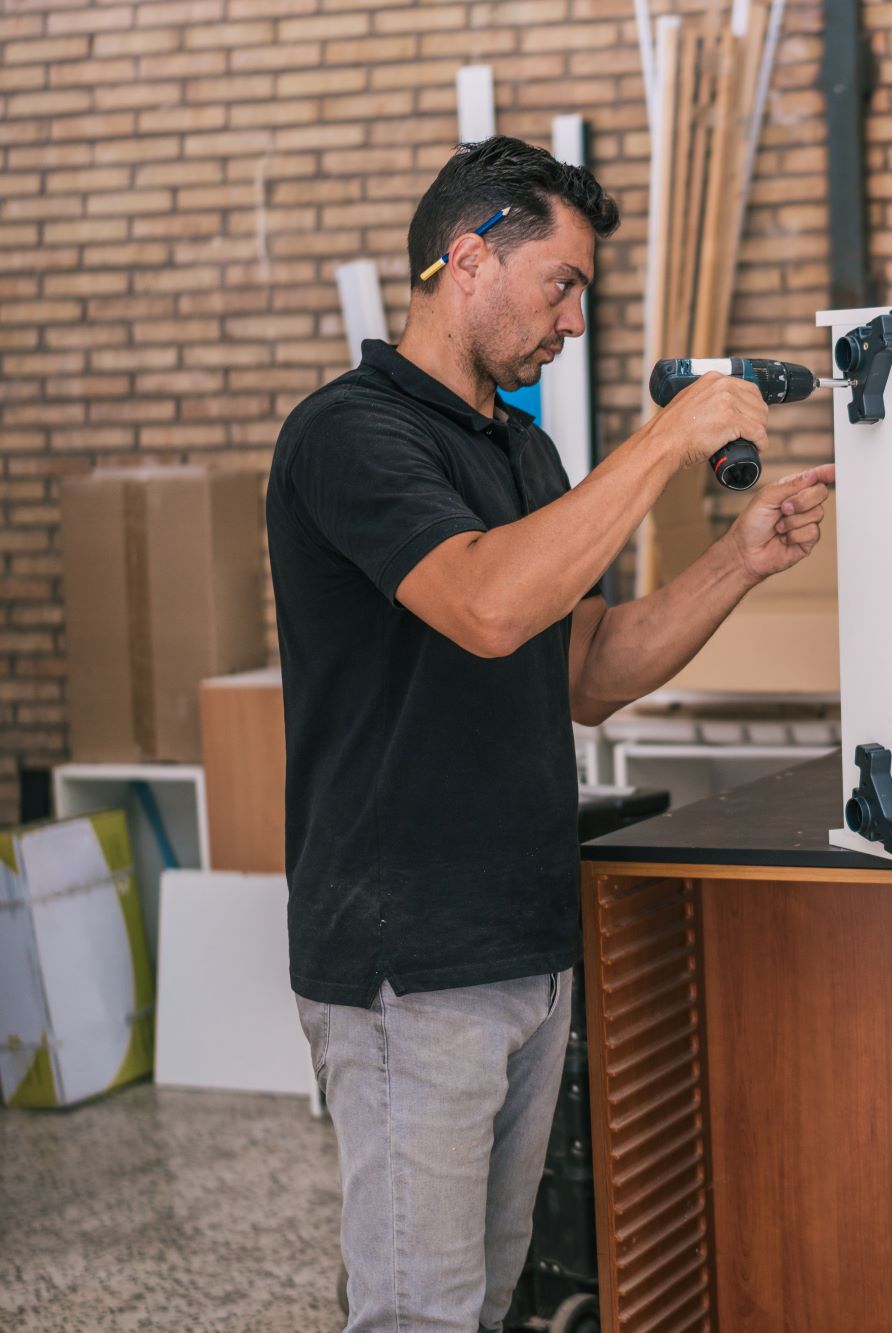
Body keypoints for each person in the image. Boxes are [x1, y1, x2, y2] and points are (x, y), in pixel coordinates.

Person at [266, 135, 832, 1332]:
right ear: (467, 259)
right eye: (560, 284)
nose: (573, 321)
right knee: (417, 1311)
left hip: (524, 936)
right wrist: (667, 438)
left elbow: (584, 667)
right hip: (405, 957)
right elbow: (482, 604)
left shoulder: (522, 452)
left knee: (487, 1296)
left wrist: (740, 558)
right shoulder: (349, 434)